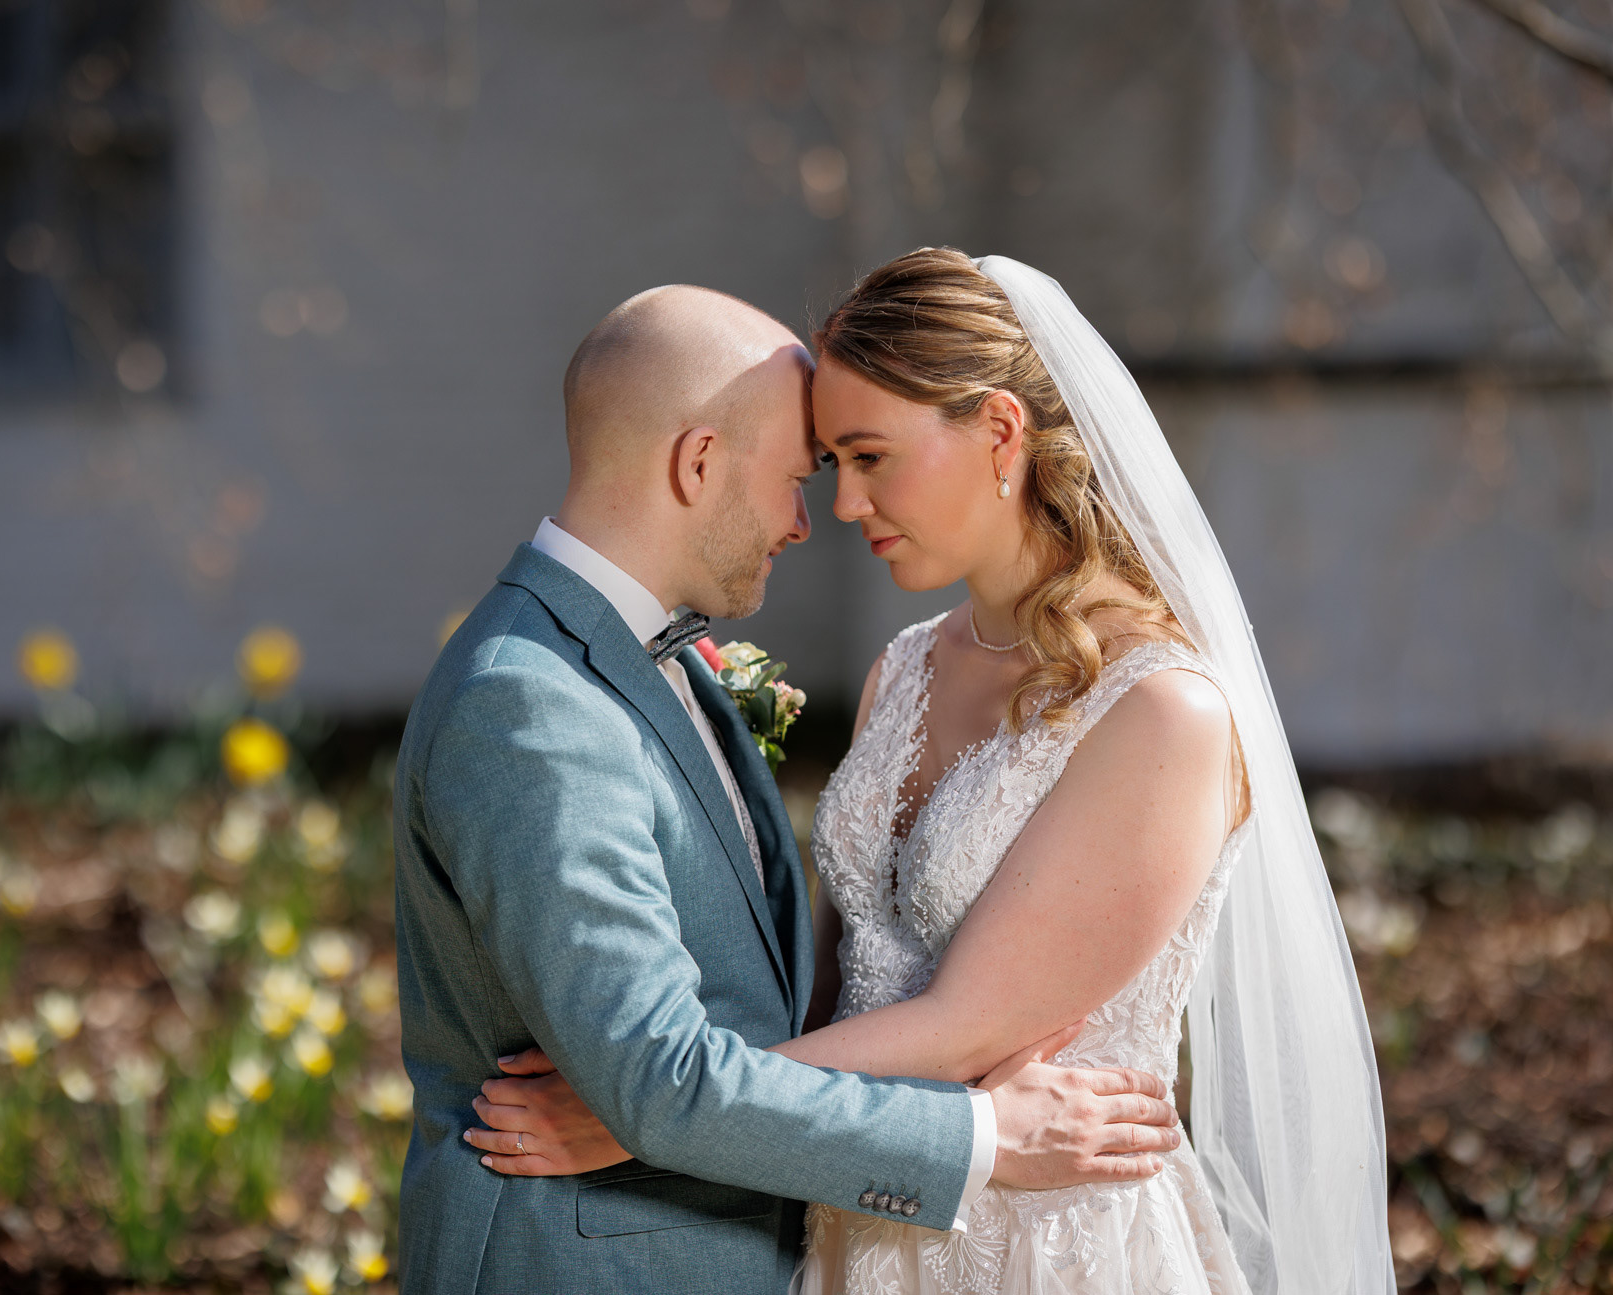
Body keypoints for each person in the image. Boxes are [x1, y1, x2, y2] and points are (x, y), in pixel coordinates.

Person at [466, 252, 1398, 1294]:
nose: (846, 503)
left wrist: (642, 1116)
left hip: (1044, 1236)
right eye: (831, 463)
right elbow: (831, 989)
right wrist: (684, 1095)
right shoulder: (904, 668)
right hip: (853, 1211)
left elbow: (968, 1025)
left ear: (1000, 433)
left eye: (871, 455)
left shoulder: (1161, 711)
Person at [393, 281, 1187, 1294]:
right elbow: (660, 1082)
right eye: (804, 474)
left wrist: (652, 1107)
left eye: (863, 461)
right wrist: (983, 1134)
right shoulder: (535, 703)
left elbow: (756, 1022)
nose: (823, 517)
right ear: (697, 463)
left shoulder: (652, 665)